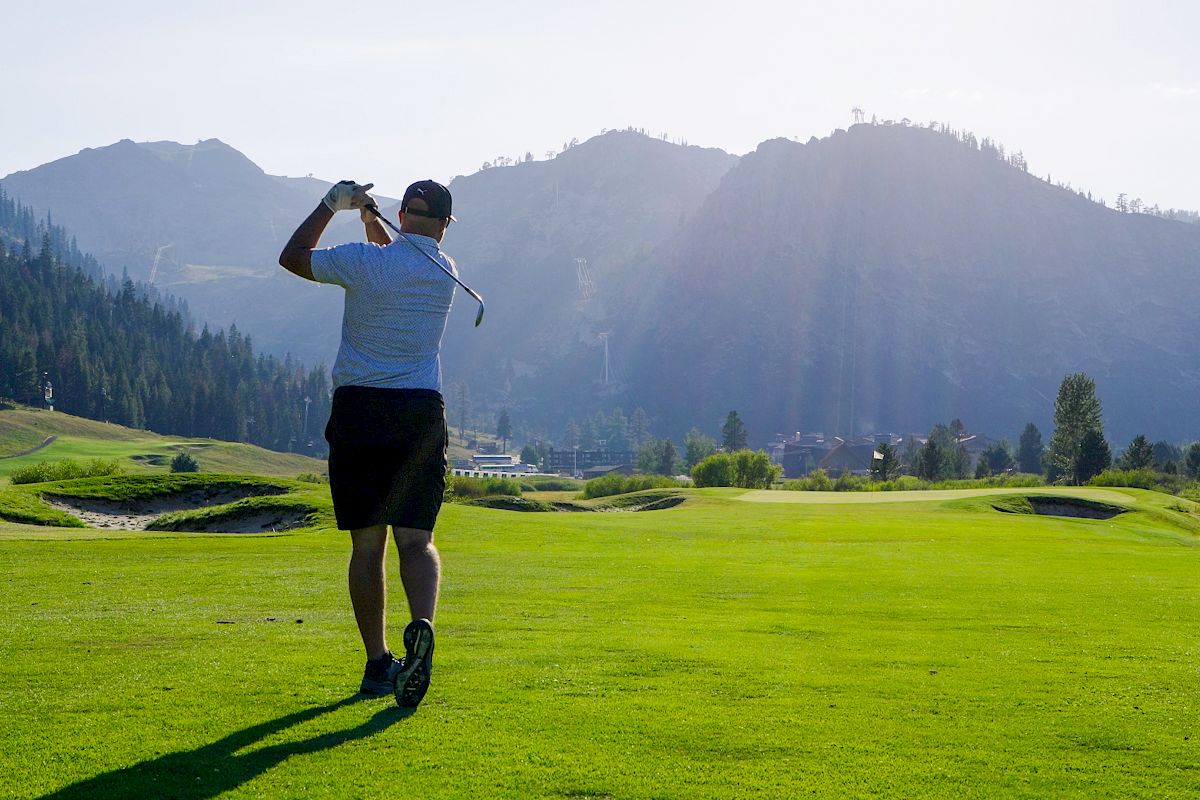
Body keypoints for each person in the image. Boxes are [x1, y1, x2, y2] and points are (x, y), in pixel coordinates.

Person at [278, 178, 459, 709]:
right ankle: (421, 625)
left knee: (367, 544)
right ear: (444, 226)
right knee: (416, 542)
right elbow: (403, 254)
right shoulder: (444, 272)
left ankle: (378, 662)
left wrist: (333, 206)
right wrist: (370, 220)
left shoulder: (363, 263)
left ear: (404, 214)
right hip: (420, 412)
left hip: (361, 409)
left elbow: (293, 257)